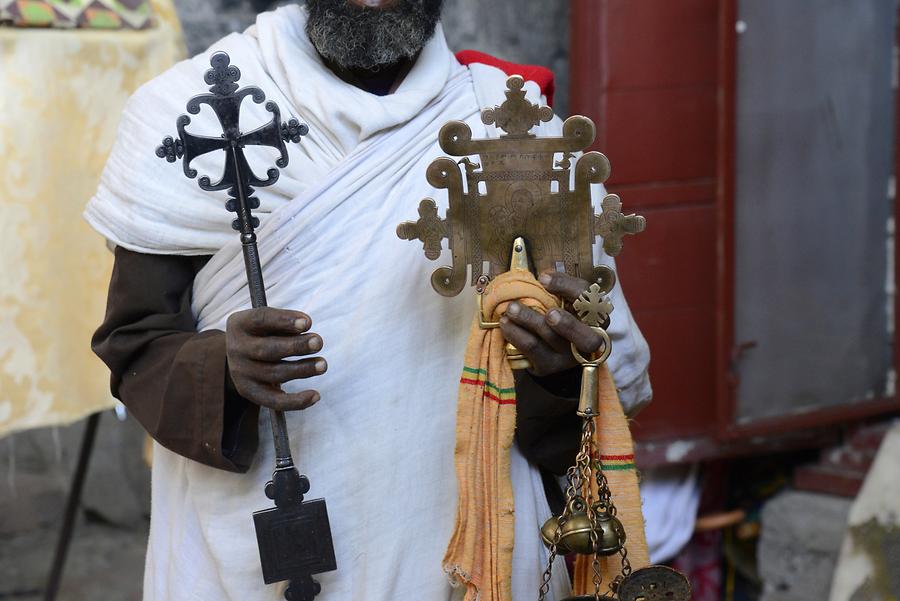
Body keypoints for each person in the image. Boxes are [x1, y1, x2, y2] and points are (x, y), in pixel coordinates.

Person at [85, 1, 651, 599]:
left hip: (472, 546)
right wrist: (221, 367)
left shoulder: (506, 119)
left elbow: (589, 375)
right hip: (262, 550)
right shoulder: (190, 111)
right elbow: (136, 342)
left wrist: (560, 373)